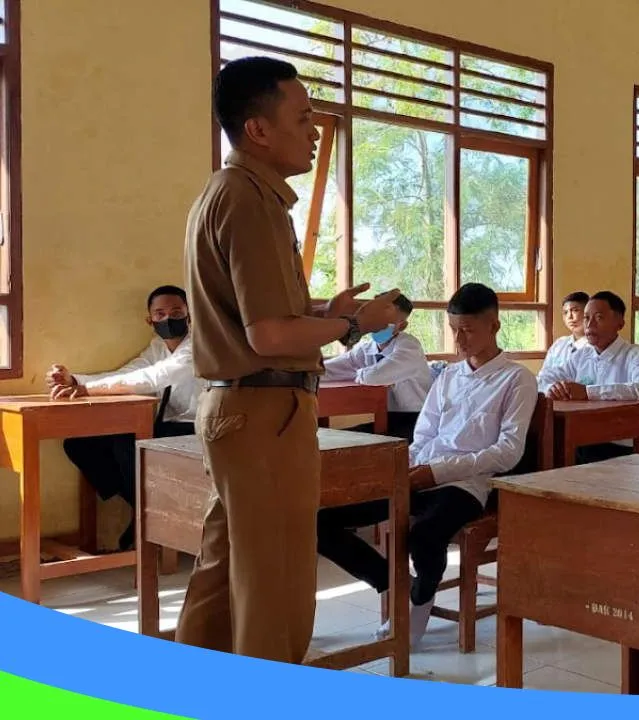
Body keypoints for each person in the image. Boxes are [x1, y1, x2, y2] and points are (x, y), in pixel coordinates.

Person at [177, 56, 400, 664]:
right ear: (258, 130)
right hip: (264, 411)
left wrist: (326, 310)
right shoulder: (248, 198)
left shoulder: (229, 192)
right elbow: (271, 336)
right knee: (274, 584)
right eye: (303, 119)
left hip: (241, 409)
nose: (315, 132)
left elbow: (264, 321)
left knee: (227, 574)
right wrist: (356, 323)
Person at [316, 283, 537, 648]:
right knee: (322, 518)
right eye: (454, 330)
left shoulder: (516, 379)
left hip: (467, 485)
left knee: (425, 534)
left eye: (467, 330)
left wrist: (436, 472)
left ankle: (417, 605)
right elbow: (422, 436)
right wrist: (412, 470)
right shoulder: (448, 375)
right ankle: (394, 585)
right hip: (419, 475)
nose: (459, 340)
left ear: (494, 327)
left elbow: (508, 452)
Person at [48, 285, 199, 552]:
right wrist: (76, 380)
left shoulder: (199, 346)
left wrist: (86, 389)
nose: (168, 319)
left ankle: (149, 518)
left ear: (190, 314)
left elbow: (153, 378)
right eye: (160, 314)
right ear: (149, 319)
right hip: (165, 427)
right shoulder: (158, 347)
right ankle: (145, 510)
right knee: (80, 444)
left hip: (196, 430)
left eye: (176, 312)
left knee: (127, 444)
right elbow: (131, 372)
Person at [537, 291, 639, 464]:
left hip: (620, 446)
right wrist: (551, 387)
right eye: (586, 318)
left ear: (620, 323)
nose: (590, 324)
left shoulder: (635, 355)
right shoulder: (582, 355)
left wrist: (588, 392)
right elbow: (545, 377)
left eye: (599, 317)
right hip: (581, 439)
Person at [321, 293, 432, 440]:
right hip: (388, 418)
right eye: (377, 317)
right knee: (335, 437)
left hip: (417, 422)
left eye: (387, 321)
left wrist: (358, 373)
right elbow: (330, 370)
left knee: (352, 442)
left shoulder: (409, 347)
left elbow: (376, 376)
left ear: (402, 326)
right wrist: (306, 371)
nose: (380, 324)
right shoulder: (366, 348)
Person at [544, 292, 590, 370]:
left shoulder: (596, 346)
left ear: (588, 313)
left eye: (575, 310)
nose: (569, 316)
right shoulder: (559, 344)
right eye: (565, 312)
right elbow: (544, 374)